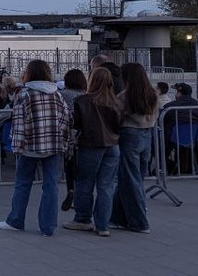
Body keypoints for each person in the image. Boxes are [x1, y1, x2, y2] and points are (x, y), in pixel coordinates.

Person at [0, 60, 71, 237]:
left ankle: (16, 220)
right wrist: (63, 142)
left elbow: (19, 123)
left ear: (29, 74)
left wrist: (17, 146)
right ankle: (48, 227)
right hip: (53, 145)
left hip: (30, 146)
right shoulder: (57, 95)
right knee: (51, 186)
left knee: (23, 183)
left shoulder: (24, 95)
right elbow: (66, 120)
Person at [64, 67, 122, 236]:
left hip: (90, 144)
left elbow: (76, 123)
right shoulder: (115, 102)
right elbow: (119, 124)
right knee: (106, 186)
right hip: (112, 145)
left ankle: (82, 219)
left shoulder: (83, 101)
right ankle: (103, 225)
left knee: (84, 182)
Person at [109, 62, 158, 234]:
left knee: (130, 179)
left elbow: (115, 117)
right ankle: (118, 217)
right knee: (133, 178)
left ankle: (139, 222)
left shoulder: (123, 97)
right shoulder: (152, 94)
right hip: (147, 134)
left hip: (129, 135)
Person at [58, 69, 88, 212]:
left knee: (69, 163)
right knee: (81, 165)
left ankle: (71, 189)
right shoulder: (86, 96)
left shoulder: (62, 95)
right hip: (83, 133)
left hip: (67, 133)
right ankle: (79, 193)